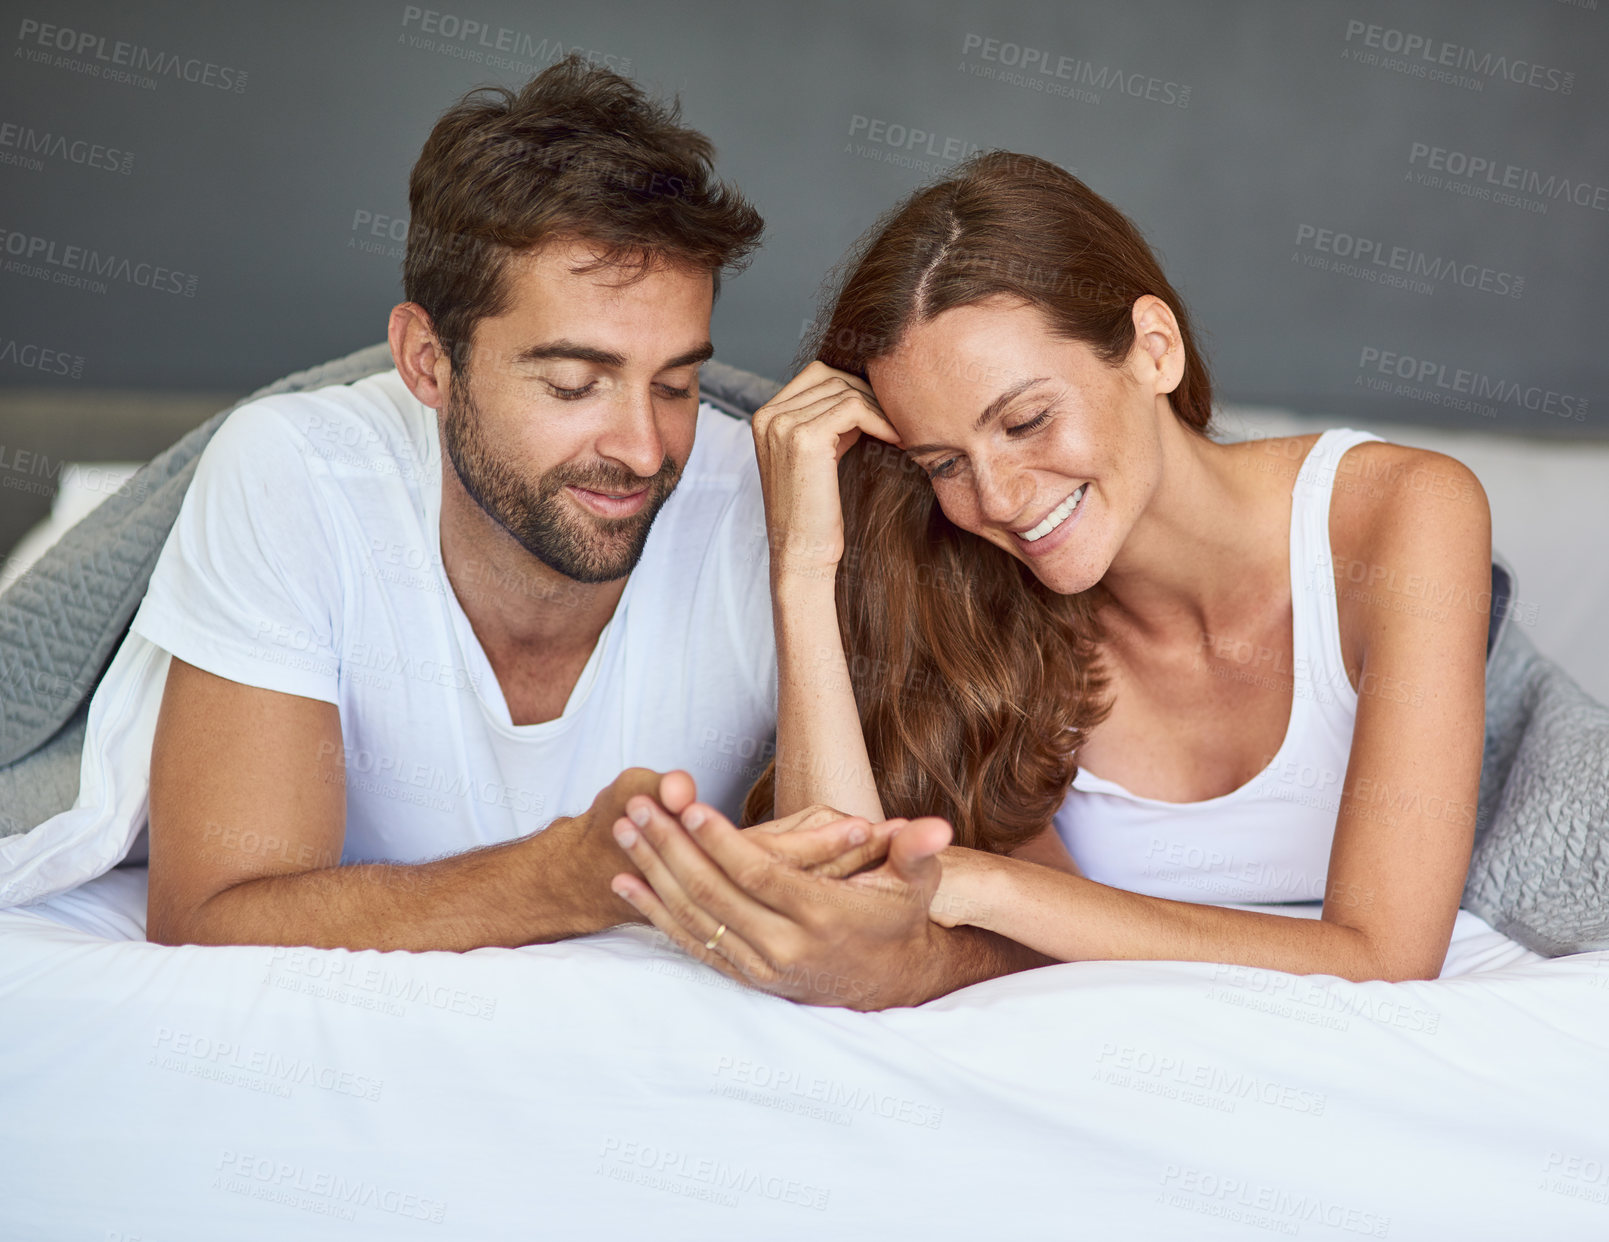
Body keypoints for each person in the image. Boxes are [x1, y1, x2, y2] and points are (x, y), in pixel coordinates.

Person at [609, 151, 1491, 999]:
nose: (997, 499)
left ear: (1154, 350)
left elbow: (1384, 961)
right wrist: (802, 567)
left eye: (1026, 421)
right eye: (944, 461)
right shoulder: (974, 599)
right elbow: (838, 915)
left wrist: (977, 885)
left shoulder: (1401, 511)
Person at [109, 55, 904, 952]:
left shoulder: (769, 496)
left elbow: (847, 925)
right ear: (426, 362)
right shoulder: (297, 473)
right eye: (573, 385)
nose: (643, 450)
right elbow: (209, 916)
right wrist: (567, 877)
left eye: (678, 385)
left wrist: (802, 569)